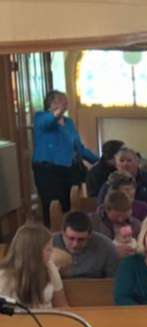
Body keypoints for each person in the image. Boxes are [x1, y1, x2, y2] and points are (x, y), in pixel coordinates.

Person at [32, 90, 98, 225]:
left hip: (69, 169)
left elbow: (78, 147)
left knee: (71, 204)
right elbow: (48, 122)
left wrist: (97, 161)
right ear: (51, 104)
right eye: (61, 100)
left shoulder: (68, 122)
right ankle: (53, 235)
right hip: (48, 171)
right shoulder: (41, 117)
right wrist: (57, 112)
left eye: (65, 100)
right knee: (52, 206)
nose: (65, 103)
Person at [0, 224, 67, 308]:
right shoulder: (3, 277)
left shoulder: (50, 268)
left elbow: (62, 305)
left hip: (47, 319)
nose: (51, 253)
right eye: (48, 249)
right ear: (33, 252)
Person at [97, 147, 147, 213]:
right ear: (116, 164)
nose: (125, 164)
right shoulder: (109, 184)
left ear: (137, 162)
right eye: (121, 160)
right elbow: (101, 208)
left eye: (129, 160)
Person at [52, 211, 119, 279]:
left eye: (81, 239)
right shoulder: (50, 244)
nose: (75, 244)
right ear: (63, 233)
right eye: (71, 238)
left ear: (90, 235)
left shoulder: (107, 247)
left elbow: (113, 281)